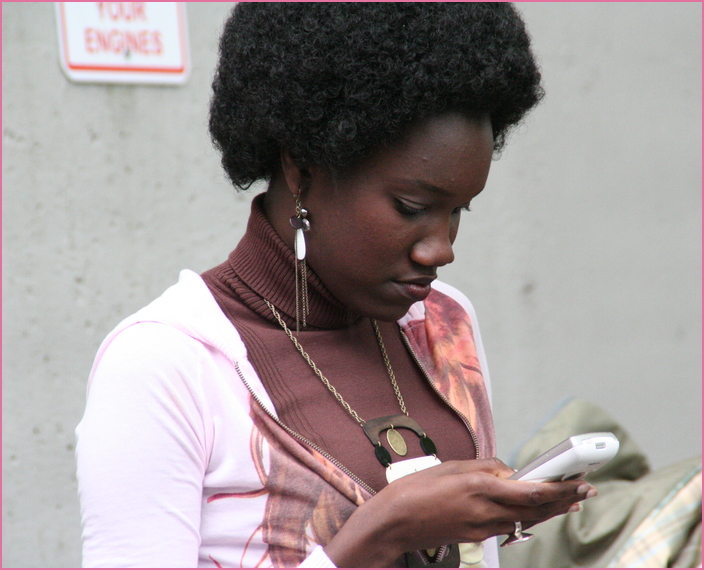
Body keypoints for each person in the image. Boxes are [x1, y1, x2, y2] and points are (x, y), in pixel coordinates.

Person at [75, 4, 597, 568]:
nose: (441, 248)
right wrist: (378, 534)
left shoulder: (443, 322)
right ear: (302, 169)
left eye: (458, 212)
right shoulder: (165, 363)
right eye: (412, 207)